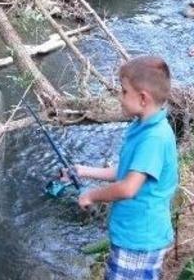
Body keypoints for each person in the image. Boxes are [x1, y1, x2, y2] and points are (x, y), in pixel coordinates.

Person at [64, 56, 179, 280]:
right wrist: (84, 170)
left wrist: (91, 195)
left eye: (124, 91)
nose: (120, 96)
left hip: (139, 239)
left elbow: (128, 188)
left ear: (143, 98)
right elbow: (127, 171)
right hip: (132, 234)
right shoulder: (142, 126)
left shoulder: (154, 138)